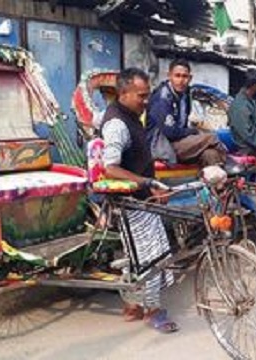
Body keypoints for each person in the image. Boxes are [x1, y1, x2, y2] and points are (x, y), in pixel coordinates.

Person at [98, 67, 178, 334]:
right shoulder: (117, 123)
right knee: (152, 258)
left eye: (147, 95)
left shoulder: (133, 116)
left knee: (137, 257)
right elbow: (110, 167)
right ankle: (153, 311)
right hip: (130, 203)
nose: (146, 101)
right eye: (141, 96)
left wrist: (151, 185)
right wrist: (147, 183)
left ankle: (132, 306)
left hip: (141, 198)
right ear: (123, 93)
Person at [146, 58, 226, 167]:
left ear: (190, 78)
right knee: (211, 137)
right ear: (169, 76)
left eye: (184, 76)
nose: (181, 80)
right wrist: (192, 131)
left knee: (210, 154)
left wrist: (191, 132)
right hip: (161, 146)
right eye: (177, 76)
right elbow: (170, 133)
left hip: (180, 143)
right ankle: (229, 163)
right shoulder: (163, 98)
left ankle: (217, 182)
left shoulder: (186, 95)